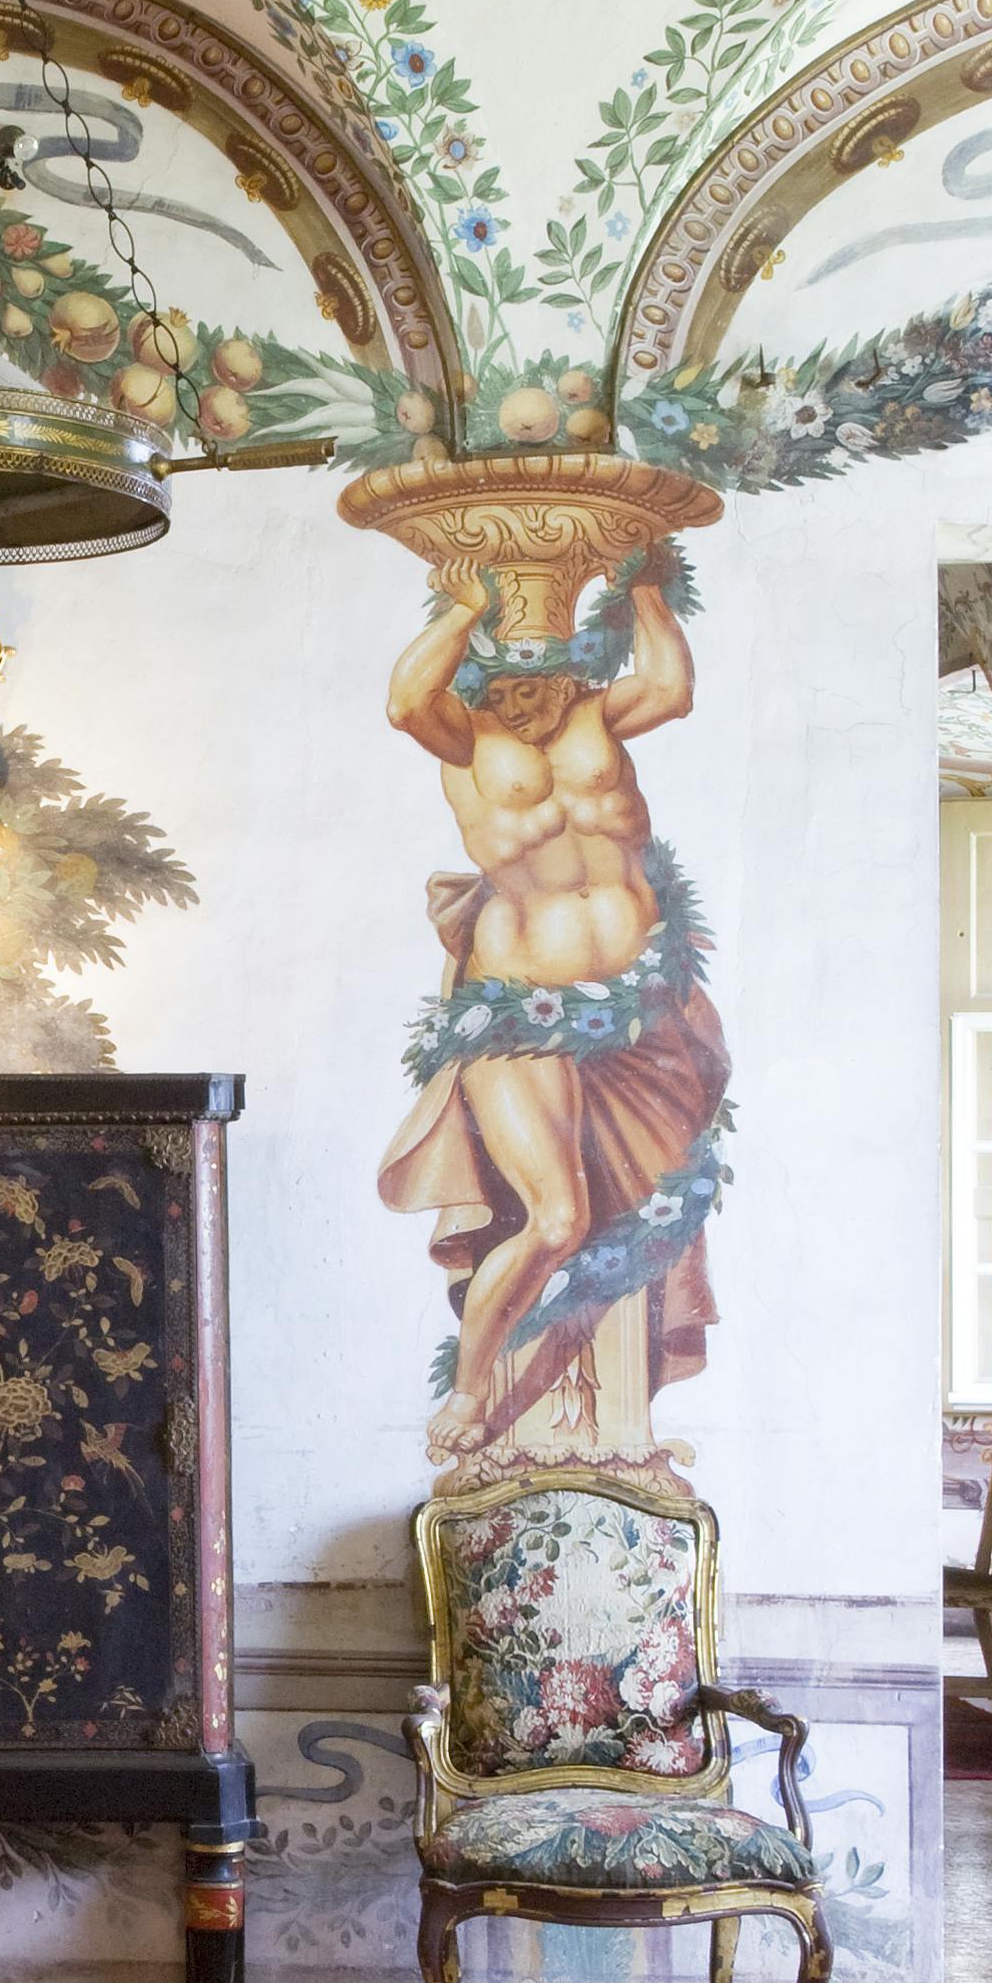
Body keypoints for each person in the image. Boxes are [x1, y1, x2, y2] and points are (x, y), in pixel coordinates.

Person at [373, 548, 731, 1457]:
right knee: (558, 1220)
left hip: (638, 1010)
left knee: (645, 1206)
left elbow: (672, 685)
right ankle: (467, 1392)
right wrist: (459, 610)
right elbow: (405, 703)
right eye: (513, 674)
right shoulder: (465, 740)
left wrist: (645, 590)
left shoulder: (597, 719)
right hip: (521, 1012)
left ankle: (620, 1419)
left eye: (550, 671)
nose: (535, 691)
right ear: (483, 671)